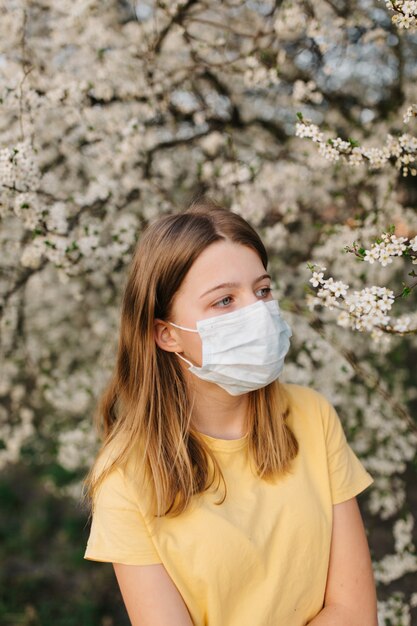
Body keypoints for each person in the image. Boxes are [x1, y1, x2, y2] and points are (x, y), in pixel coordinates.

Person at [83, 195, 378, 626]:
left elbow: (354, 613)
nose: (257, 313)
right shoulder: (127, 476)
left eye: (263, 290)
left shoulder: (312, 417)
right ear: (167, 334)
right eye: (224, 301)